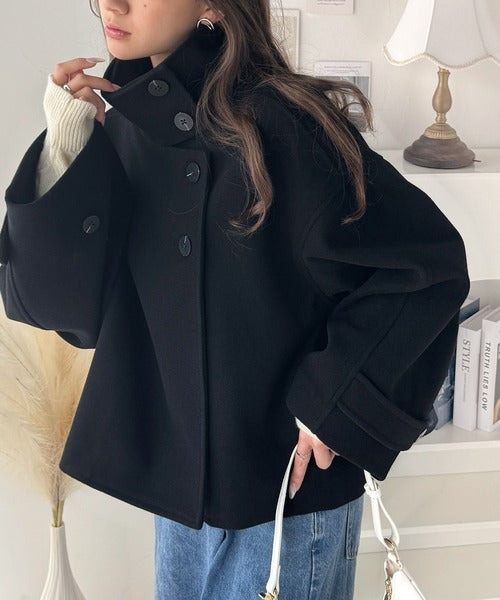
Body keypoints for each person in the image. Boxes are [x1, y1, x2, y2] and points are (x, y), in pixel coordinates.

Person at [0, 1, 470, 598]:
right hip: (180, 504)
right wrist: (65, 145)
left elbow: (426, 266)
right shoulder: (129, 126)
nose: (112, 4)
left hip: (285, 502)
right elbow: (61, 310)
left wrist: (333, 405)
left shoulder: (284, 124)